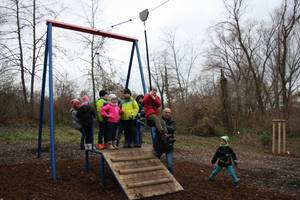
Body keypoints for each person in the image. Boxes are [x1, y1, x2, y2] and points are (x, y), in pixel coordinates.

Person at [155, 107, 176, 174]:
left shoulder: (172, 121)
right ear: (163, 113)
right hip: (159, 145)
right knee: (153, 162)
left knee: (170, 165)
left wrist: (163, 126)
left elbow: (172, 129)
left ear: (170, 114)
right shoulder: (158, 120)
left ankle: (172, 178)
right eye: (165, 112)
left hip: (168, 146)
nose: (167, 114)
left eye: (168, 112)